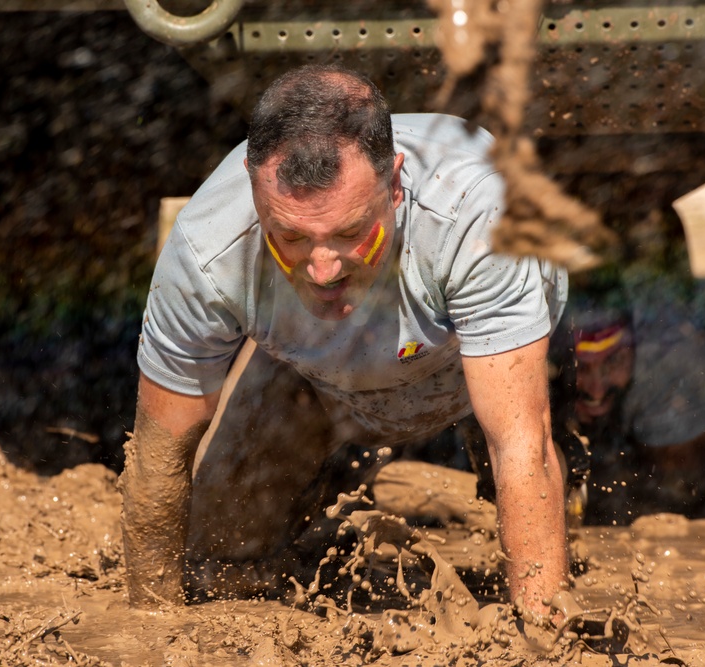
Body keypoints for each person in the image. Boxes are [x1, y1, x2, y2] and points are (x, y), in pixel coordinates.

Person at [120, 64, 570, 620]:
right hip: (311, 370)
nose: (323, 268)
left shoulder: (476, 219)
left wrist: (548, 631)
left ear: (396, 184)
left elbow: (521, 441)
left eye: (351, 232)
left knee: (521, 466)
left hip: (465, 348)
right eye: (290, 236)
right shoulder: (208, 252)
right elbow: (160, 452)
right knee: (221, 552)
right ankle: (383, 488)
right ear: (254, 188)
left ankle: (466, 484)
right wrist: (147, 622)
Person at [547, 269, 705, 523]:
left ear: (635, 349)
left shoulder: (669, 367)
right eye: (580, 366)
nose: (596, 389)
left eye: (613, 361)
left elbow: (681, 498)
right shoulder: (530, 357)